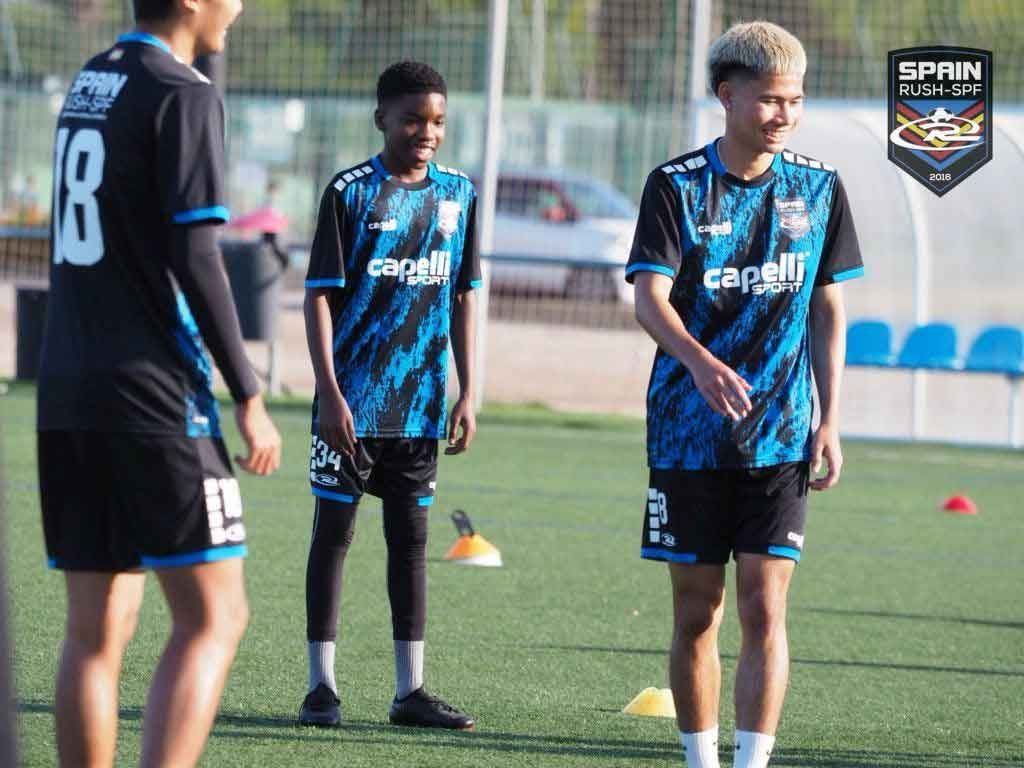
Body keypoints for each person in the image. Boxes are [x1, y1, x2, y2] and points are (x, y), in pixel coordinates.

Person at [36, 1, 282, 766]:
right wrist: (248, 394)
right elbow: (198, 256)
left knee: (94, 631)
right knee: (217, 615)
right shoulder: (183, 91)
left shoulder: (91, 81)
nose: (237, 7)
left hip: (68, 389)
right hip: (153, 396)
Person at [626, 21, 863, 768]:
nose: (784, 114)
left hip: (783, 435)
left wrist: (831, 418)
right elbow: (648, 300)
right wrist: (697, 362)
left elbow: (828, 304)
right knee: (699, 613)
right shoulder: (676, 186)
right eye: (768, 100)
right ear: (727, 96)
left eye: (793, 100)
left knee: (766, 608)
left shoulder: (819, 189)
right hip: (687, 436)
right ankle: (701, 760)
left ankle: (752, 762)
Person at [298, 61, 480, 730]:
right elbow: (319, 298)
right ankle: (321, 687)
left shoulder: (460, 193)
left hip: (422, 405)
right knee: (334, 537)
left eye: (436, 121)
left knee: (410, 542)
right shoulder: (349, 193)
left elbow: (462, 296)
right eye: (412, 119)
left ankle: (411, 692)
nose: (425, 132)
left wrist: (467, 391)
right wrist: (330, 393)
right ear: (381, 119)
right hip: (352, 406)